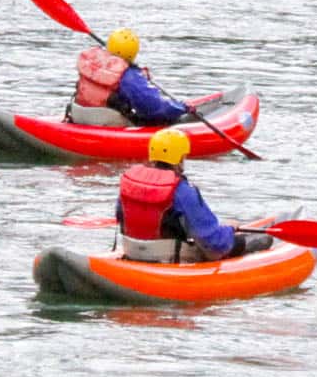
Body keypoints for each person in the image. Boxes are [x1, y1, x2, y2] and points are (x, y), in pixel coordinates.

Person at [113, 129, 266, 263]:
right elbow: (214, 242)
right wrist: (230, 230)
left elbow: (119, 215)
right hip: (168, 260)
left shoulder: (131, 183)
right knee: (259, 240)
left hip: (133, 253)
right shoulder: (182, 190)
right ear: (179, 159)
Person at [67, 28, 190, 128]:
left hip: (80, 116)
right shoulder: (128, 76)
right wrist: (181, 108)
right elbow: (155, 108)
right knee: (162, 119)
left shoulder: (93, 62)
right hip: (107, 124)